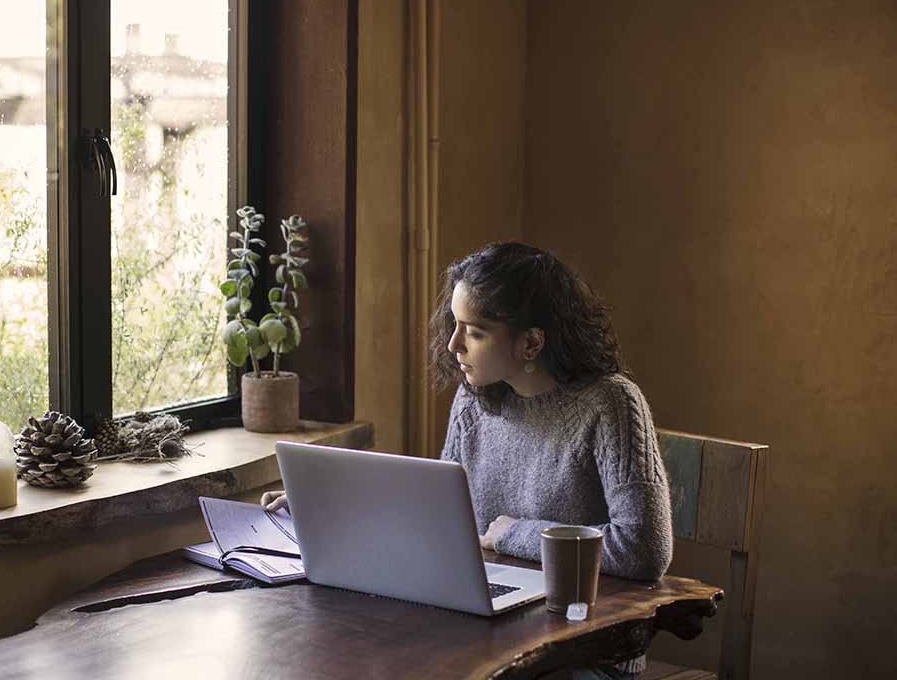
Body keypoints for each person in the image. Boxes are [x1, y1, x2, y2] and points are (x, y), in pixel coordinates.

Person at [263, 242, 672, 680]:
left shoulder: (610, 404)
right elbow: (440, 516)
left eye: (475, 331)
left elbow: (643, 550)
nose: (454, 344)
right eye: (455, 325)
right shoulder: (472, 400)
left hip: (585, 651)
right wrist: (328, 505)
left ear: (531, 342)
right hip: (487, 632)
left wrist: (515, 533)